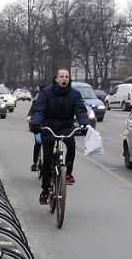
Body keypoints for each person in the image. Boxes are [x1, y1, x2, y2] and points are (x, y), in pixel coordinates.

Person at [30, 69, 89, 205]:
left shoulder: (75, 94)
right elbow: (39, 110)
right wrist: (36, 123)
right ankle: (45, 189)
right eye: (62, 76)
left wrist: (84, 123)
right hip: (49, 127)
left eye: (67, 77)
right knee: (47, 160)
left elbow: (80, 110)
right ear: (56, 79)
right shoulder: (46, 93)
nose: (64, 79)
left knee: (72, 145)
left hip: (66, 126)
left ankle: (67, 173)